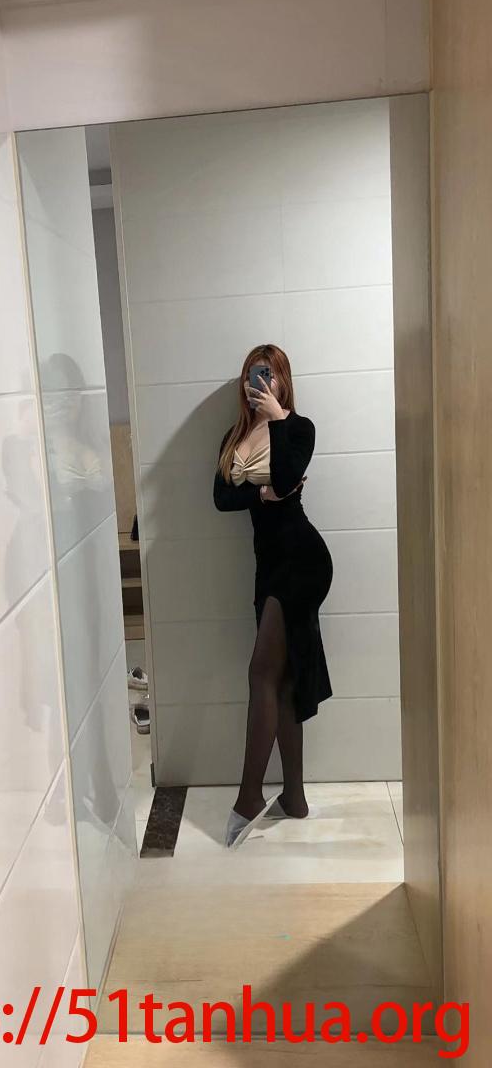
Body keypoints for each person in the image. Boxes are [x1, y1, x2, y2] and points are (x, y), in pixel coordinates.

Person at [213, 344, 333, 847]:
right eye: (252, 375)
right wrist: (261, 493)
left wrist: (278, 418)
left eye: (268, 375)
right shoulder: (234, 436)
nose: (259, 383)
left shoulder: (298, 428)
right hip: (268, 567)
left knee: (260, 671)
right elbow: (222, 498)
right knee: (281, 680)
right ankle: (294, 798)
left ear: (283, 380)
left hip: (302, 560)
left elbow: (285, 476)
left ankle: (248, 798)